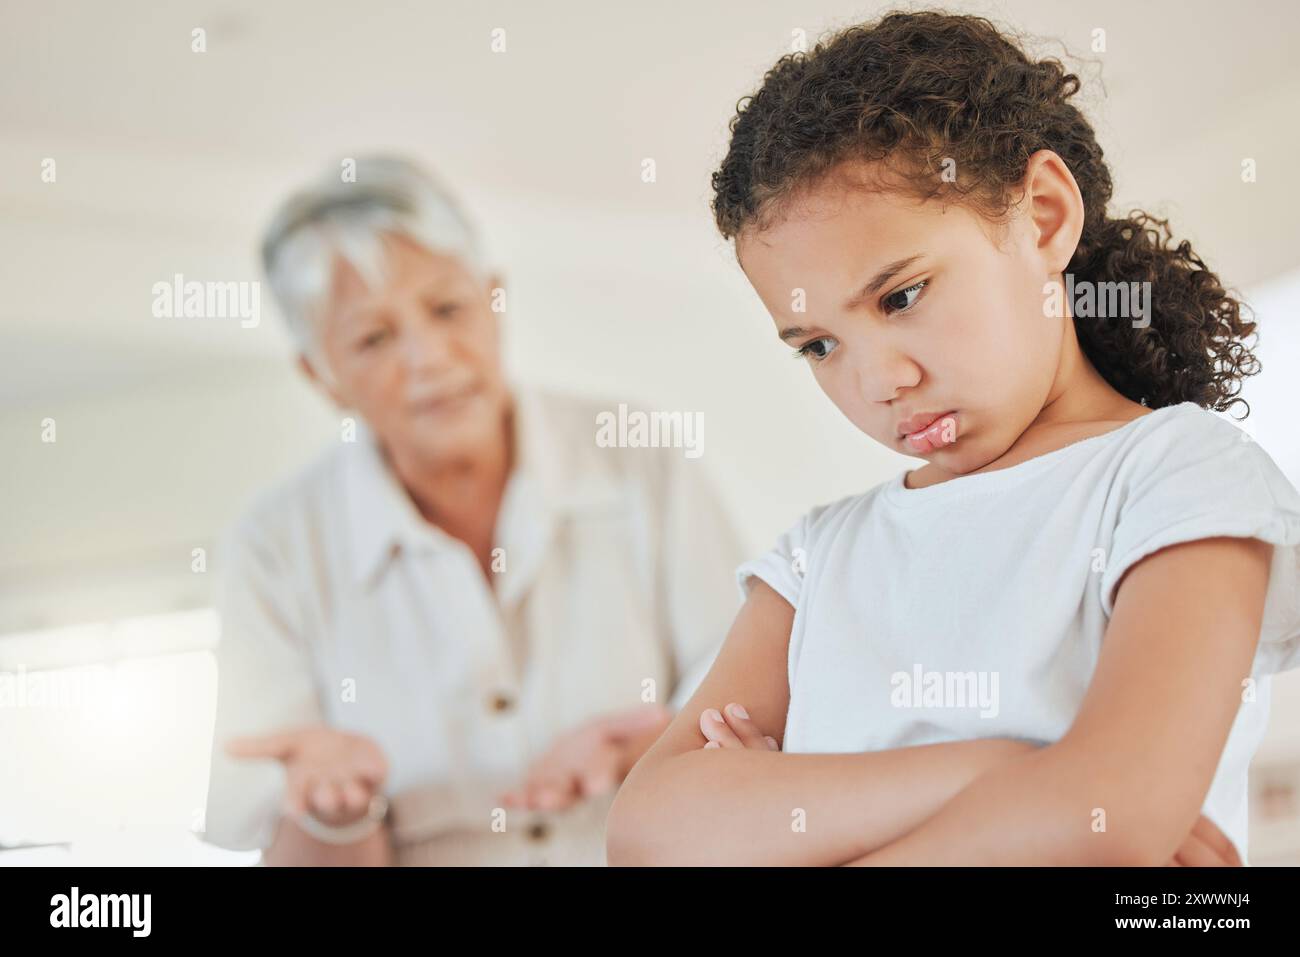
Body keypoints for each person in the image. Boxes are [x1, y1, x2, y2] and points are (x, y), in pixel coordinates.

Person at [608, 11, 1300, 866]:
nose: (876, 381)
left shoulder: (1180, 477)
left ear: (1043, 216)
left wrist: (789, 825)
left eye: (900, 296)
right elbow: (650, 831)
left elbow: (1102, 822)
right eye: (819, 345)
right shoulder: (818, 560)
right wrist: (1008, 770)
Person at [202, 156, 744, 865]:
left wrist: (653, 742)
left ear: (494, 301)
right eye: (373, 338)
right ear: (322, 376)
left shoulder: (637, 455)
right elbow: (291, 833)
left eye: (448, 309)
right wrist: (337, 806)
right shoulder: (274, 546)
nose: (429, 356)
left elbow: (750, 693)